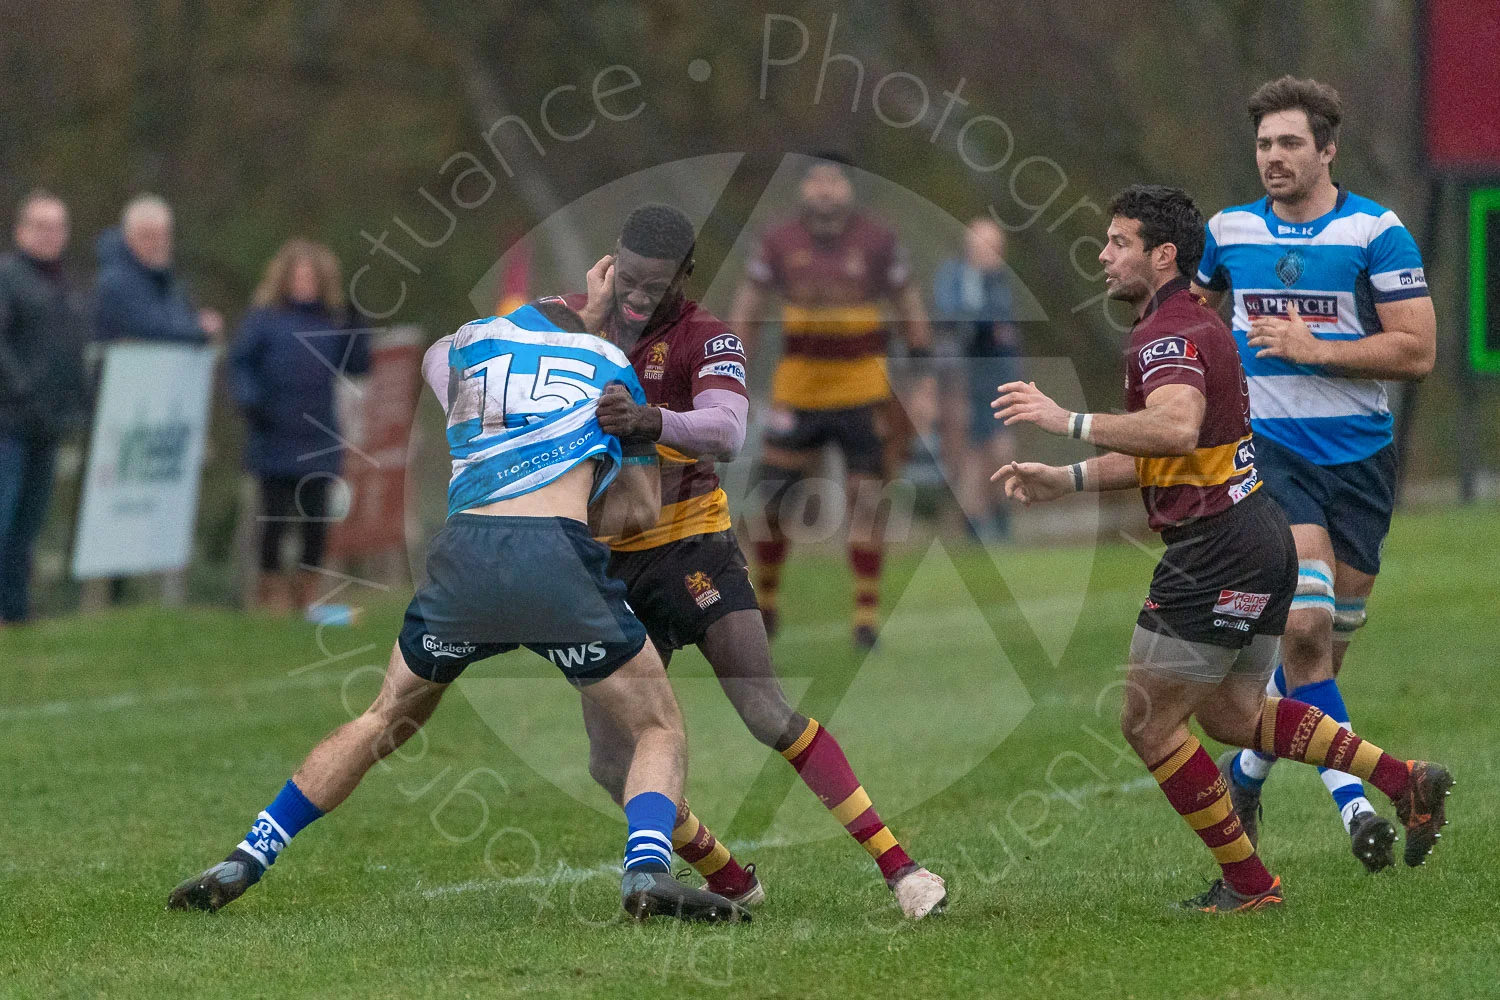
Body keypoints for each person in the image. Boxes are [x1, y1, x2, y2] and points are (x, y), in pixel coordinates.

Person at [168, 295, 748, 924]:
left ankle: (248, 855)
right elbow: (639, 511)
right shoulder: (611, 367)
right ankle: (647, 871)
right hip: (553, 559)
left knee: (385, 716)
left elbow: (435, 355)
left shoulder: (472, 349)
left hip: (463, 559)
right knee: (657, 725)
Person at [993, 185, 1451, 913]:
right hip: (1258, 536)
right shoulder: (1199, 323)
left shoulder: (1166, 337)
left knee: (1148, 724)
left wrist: (1066, 420)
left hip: (1214, 554)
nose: (1104, 256)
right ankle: (1403, 780)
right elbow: (1180, 451)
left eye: (1119, 242)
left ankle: (1250, 885)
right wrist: (1068, 479)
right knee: (1234, 718)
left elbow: (1174, 428)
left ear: (1163, 255)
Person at [564, 204, 947, 920]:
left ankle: (903, 870)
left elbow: (728, 429)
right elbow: (463, 357)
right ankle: (730, 877)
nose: (636, 295)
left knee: (765, 711)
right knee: (610, 763)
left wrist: (649, 420)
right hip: (608, 565)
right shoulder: (576, 318)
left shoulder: (706, 337)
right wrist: (575, 328)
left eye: (654, 284)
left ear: (686, 275)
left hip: (691, 548)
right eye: (627, 278)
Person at [1190, 77, 1438, 871]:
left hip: (1360, 463)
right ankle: (1361, 806)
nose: (1274, 156)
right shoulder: (1227, 231)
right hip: (1270, 456)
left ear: (1327, 149)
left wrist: (1317, 349)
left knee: (1323, 655)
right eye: (1264, 143)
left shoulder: (1376, 233)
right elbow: (1188, 322)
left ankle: (1246, 773)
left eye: (1290, 142)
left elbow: (1418, 351)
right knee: (1302, 627)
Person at [728, 154, 933, 649]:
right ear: (803, 189)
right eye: (816, 180)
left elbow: (908, 303)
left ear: (849, 188)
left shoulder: (878, 240)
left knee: (866, 500)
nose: (825, 189)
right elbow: (749, 306)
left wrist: (922, 376)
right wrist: (730, 369)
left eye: (834, 180)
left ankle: (865, 618)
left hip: (864, 390)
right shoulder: (778, 241)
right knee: (773, 500)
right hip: (797, 391)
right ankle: (766, 606)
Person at [228, 239, 370, 615]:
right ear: (284, 279)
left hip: (318, 432)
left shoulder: (331, 321)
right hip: (273, 429)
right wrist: (250, 401)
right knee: (273, 517)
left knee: (316, 518)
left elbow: (357, 365)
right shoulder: (264, 319)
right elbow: (241, 362)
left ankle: (308, 592)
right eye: (298, 276)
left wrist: (357, 325)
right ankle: (270, 590)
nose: (304, 283)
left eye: (311, 276)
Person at [0, 190, 89, 625]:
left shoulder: (67, 285)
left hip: (48, 422)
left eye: (56, 226)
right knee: (4, 512)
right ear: (21, 231)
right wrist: (20, 388)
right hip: (9, 420)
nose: (49, 234)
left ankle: (16, 610)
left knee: (28, 522)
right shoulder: (8, 277)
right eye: (40, 225)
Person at [932, 216, 1023, 542]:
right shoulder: (954, 276)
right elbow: (951, 317)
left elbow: (997, 324)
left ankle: (1000, 515)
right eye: (982, 245)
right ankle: (975, 524)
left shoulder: (1000, 281)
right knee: (969, 450)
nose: (988, 253)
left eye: (994, 247)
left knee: (999, 447)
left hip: (997, 374)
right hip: (961, 375)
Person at [94, 195, 224, 345]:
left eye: (164, 236)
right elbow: (151, 329)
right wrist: (199, 330)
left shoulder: (168, 280)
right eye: (148, 236)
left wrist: (198, 322)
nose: (158, 244)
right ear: (128, 237)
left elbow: (176, 319)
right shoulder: (115, 282)